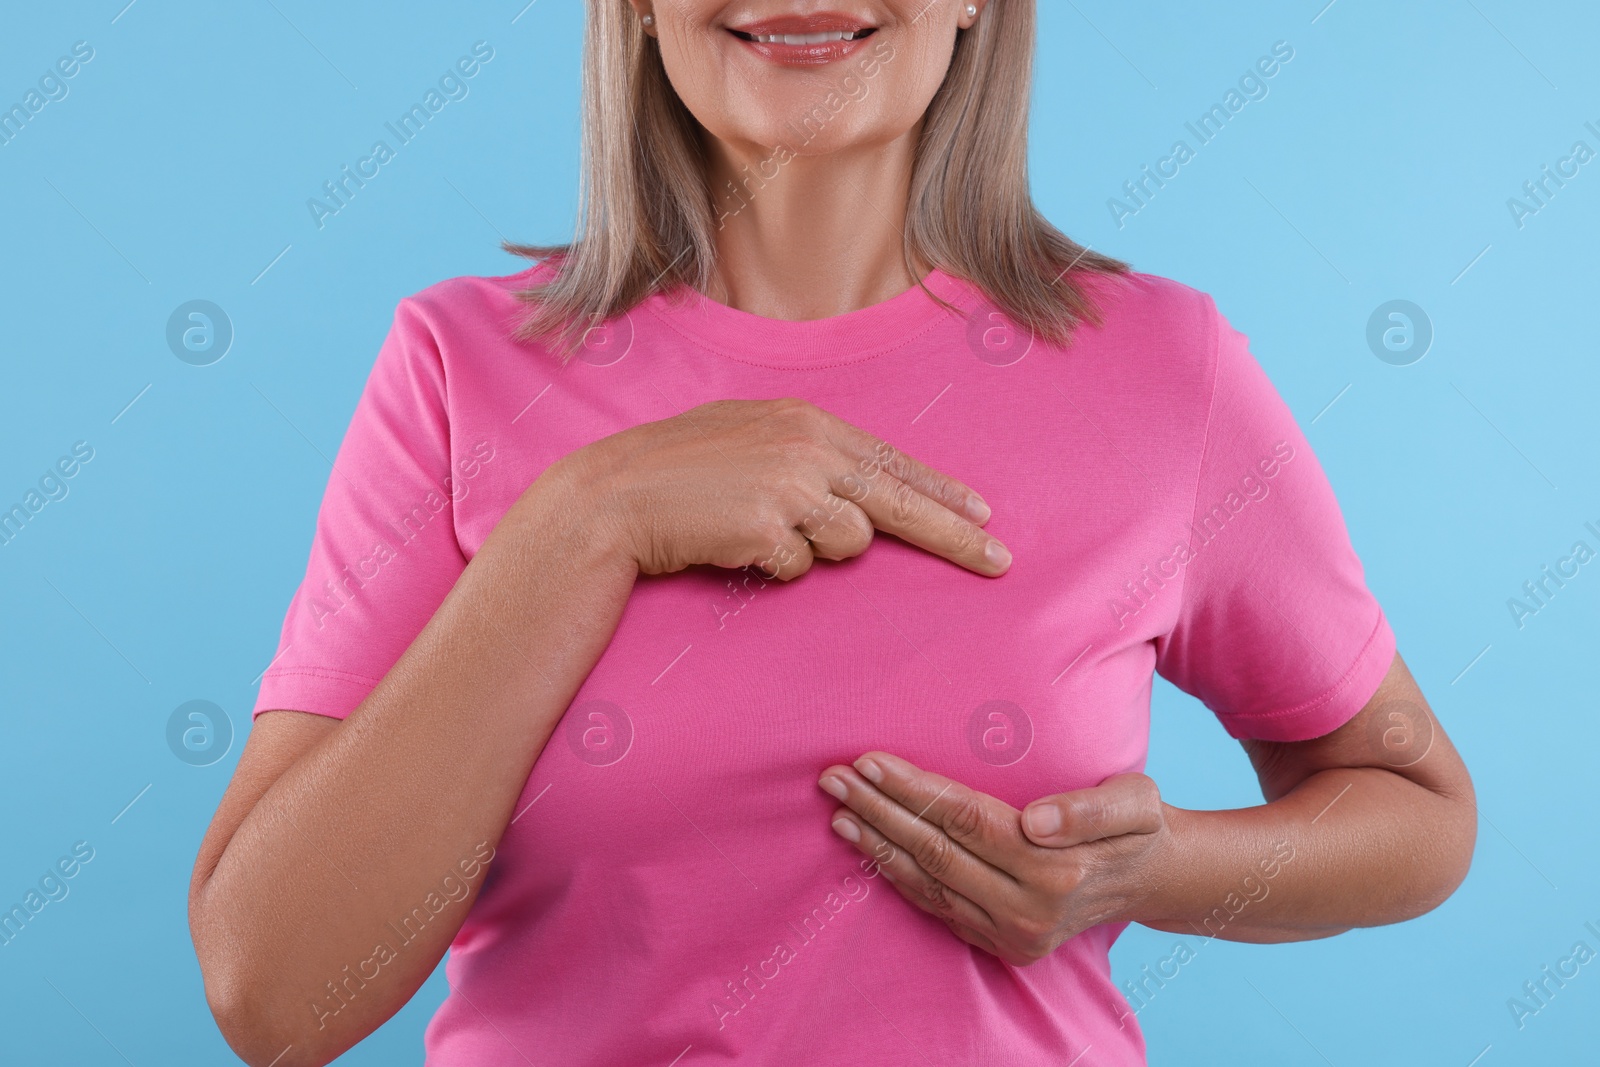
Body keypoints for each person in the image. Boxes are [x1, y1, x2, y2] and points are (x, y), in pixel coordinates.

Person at [188, 2, 1477, 1064]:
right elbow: (277, 993)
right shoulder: (458, 367)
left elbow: (1418, 812)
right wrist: (589, 520)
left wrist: (1149, 872)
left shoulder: (1160, 368)